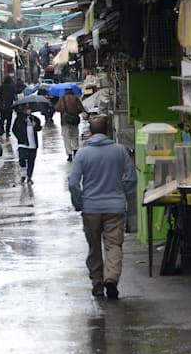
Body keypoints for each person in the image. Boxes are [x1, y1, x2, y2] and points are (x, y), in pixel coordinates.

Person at [68, 115, 135, 300]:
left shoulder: (82, 154)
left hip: (90, 209)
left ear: (90, 132)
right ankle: (111, 279)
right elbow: (131, 178)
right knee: (114, 245)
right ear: (107, 130)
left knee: (94, 247)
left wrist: (79, 202)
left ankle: (97, 284)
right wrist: (125, 197)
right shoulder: (120, 151)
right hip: (115, 208)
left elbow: (73, 182)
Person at [12, 105, 42, 184]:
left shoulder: (34, 118)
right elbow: (14, 129)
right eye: (26, 108)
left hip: (33, 144)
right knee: (22, 159)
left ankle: (29, 177)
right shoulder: (19, 119)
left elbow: (39, 128)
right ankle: (23, 174)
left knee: (31, 161)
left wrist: (35, 126)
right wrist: (19, 138)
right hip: (23, 143)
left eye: (29, 108)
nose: (28, 110)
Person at [55, 88, 87, 161]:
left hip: (65, 121)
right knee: (74, 136)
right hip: (74, 120)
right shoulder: (76, 98)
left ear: (65, 91)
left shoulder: (62, 98)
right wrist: (75, 111)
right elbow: (81, 108)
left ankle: (69, 154)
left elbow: (57, 108)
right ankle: (75, 150)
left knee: (66, 137)